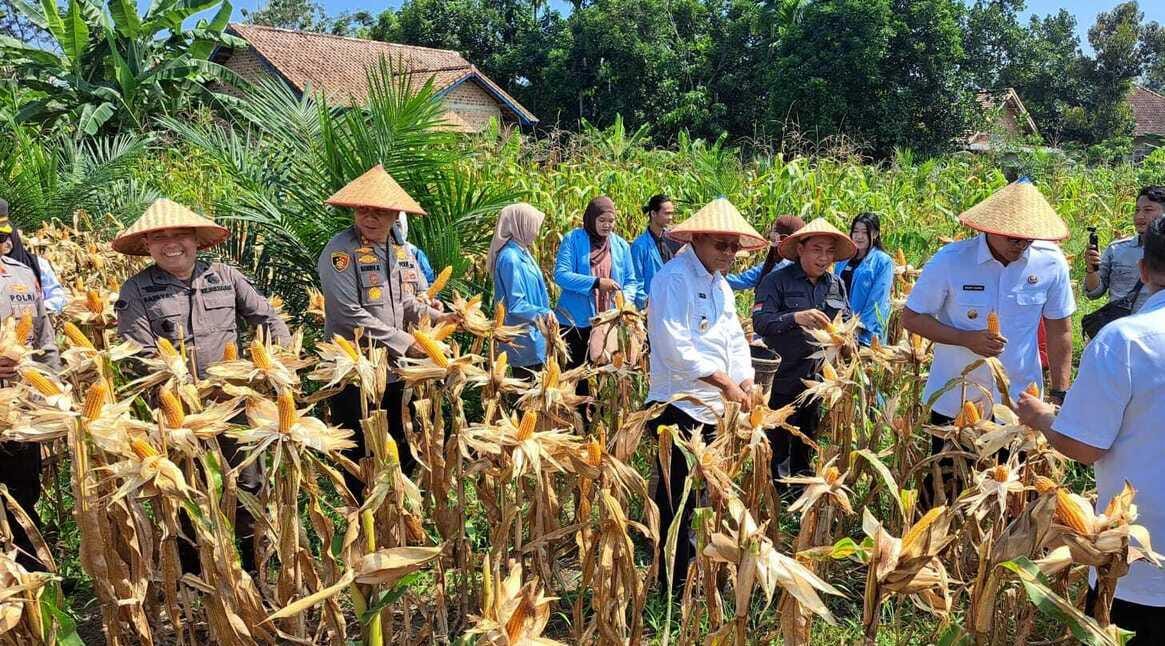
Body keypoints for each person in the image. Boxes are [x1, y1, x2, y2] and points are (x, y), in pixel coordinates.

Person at [113, 198, 290, 573]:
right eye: (159, 237)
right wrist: (176, 388)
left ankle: (254, 567)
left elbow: (266, 317)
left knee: (246, 483)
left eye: (179, 234)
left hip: (234, 403)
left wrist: (278, 364)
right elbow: (136, 353)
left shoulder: (226, 277)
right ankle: (198, 575)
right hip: (178, 414)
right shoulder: (136, 290)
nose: (170, 242)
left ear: (196, 239)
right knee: (188, 490)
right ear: (147, 245)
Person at [1016, 216, 1165, 644]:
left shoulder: (1125, 340)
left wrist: (1042, 416)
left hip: (1138, 561)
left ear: (1142, 270)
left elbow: (1082, 445)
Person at [901, 179, 1074, 497]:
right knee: (947, 489)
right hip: (956, 402)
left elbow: (1060, 328)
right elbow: (911, 318)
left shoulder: (1050, 263)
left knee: (1012, 493)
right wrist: (964, 338)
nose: (1020, 245)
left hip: (1020, 403)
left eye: (1027, 239)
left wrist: (1059, 392)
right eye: (1012, 237)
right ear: (990, 227)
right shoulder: (951, 260)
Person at [645, 198, 764, 591]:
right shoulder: (672, 279)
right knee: (676, 498)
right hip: (679, 406)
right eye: (721, 245)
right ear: (697, 239)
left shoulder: (722, 285)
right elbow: (673, 346)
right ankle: (673, 582)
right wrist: (724, 382)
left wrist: (744, 380)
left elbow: (734, 339)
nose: (730, 253)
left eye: (734, 246)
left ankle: (701, 572)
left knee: (707, 496)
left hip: (715, 409)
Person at [317, 164, 449, 494]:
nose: (371, 218)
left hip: (396, 373)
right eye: (364, 210)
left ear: (395, 216)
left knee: (400, 444)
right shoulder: (340, 252)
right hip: (356, 371)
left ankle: (400, 514)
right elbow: (348, 313)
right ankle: (361, 519)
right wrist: (407, 343)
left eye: (380, 212)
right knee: (360, 452)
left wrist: (435, 316)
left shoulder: (402, 251)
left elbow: (409, 302)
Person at [752, 218, 854, 479]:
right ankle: (776, 491)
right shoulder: (776, 281)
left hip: (819, 379)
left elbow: (846, 320)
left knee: (808, 436)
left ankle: (801, 483)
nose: (824, 258)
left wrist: (847, 341)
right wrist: (795, 318)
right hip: (783, 376)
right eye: (817, 250)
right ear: (800, 249)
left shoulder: (835, 284)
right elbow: (761, 323)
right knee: (779, 439)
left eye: (830, 251)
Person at [0, 209, 60, 569]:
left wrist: (50, 394)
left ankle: (33, 577)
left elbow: (45, 340)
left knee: (23, 491)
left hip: (23, 409)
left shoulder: (23, 276)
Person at [553, 196, 640, 389]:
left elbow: (631, 280)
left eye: (611, 221)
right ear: (591, 219)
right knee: (574, 378)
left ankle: (595, 417)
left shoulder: (620, 246)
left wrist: (624, 301)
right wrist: (596, 283)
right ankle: (573, 418)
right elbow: (561, 275)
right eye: (602, 221)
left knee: (600, 377)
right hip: (576, 322)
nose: (607, 226)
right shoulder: (573, 240)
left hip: (606, 322)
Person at [489, 203, 552, 376]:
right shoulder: (510, 258)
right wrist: (544, 313)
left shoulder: (522, 252)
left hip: (534, 337)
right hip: (524, 339)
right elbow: (516, 304)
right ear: (520, 225)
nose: (537, 232)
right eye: (533, 226)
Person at [1084, 186, 1164, 314]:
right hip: (1122, 327)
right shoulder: (1116, 250)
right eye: (1137, 210)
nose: (1140, 216)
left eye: (1148, 210)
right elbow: (1094, 292)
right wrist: (1091, 269)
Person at [834, 212, 894, 346]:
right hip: (841, 329)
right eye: (855, 231)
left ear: (875, 234)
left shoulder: (883, 261)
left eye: (864, 232)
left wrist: (858, 328)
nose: (859, 236)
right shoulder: (843, 259)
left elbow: (877, 299)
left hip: (864, 334)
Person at [0, 201, 66, 313]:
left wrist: (35, 309)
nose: (7, 243)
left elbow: (58, 296)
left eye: (6, 237)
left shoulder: (38, 265)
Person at [726, 215, 806, 291]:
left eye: (778, 238)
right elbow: (741, 281)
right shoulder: (770, 266)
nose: (775, 242)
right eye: (773, 237)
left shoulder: (803, 270)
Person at [629, 194, 680, 308]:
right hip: (651, 306)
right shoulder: (639, 246)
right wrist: (646, 303)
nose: (671, 217)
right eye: (667, 213)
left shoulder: (674, 240)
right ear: (653, 214)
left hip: (673, 303)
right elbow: (636, 279)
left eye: (672, 213)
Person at [391, 212, 436, 291]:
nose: (393, 230)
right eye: (391, 225)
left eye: (398, 225)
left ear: (404, 226)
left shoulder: (413, 252)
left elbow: (430, 284)